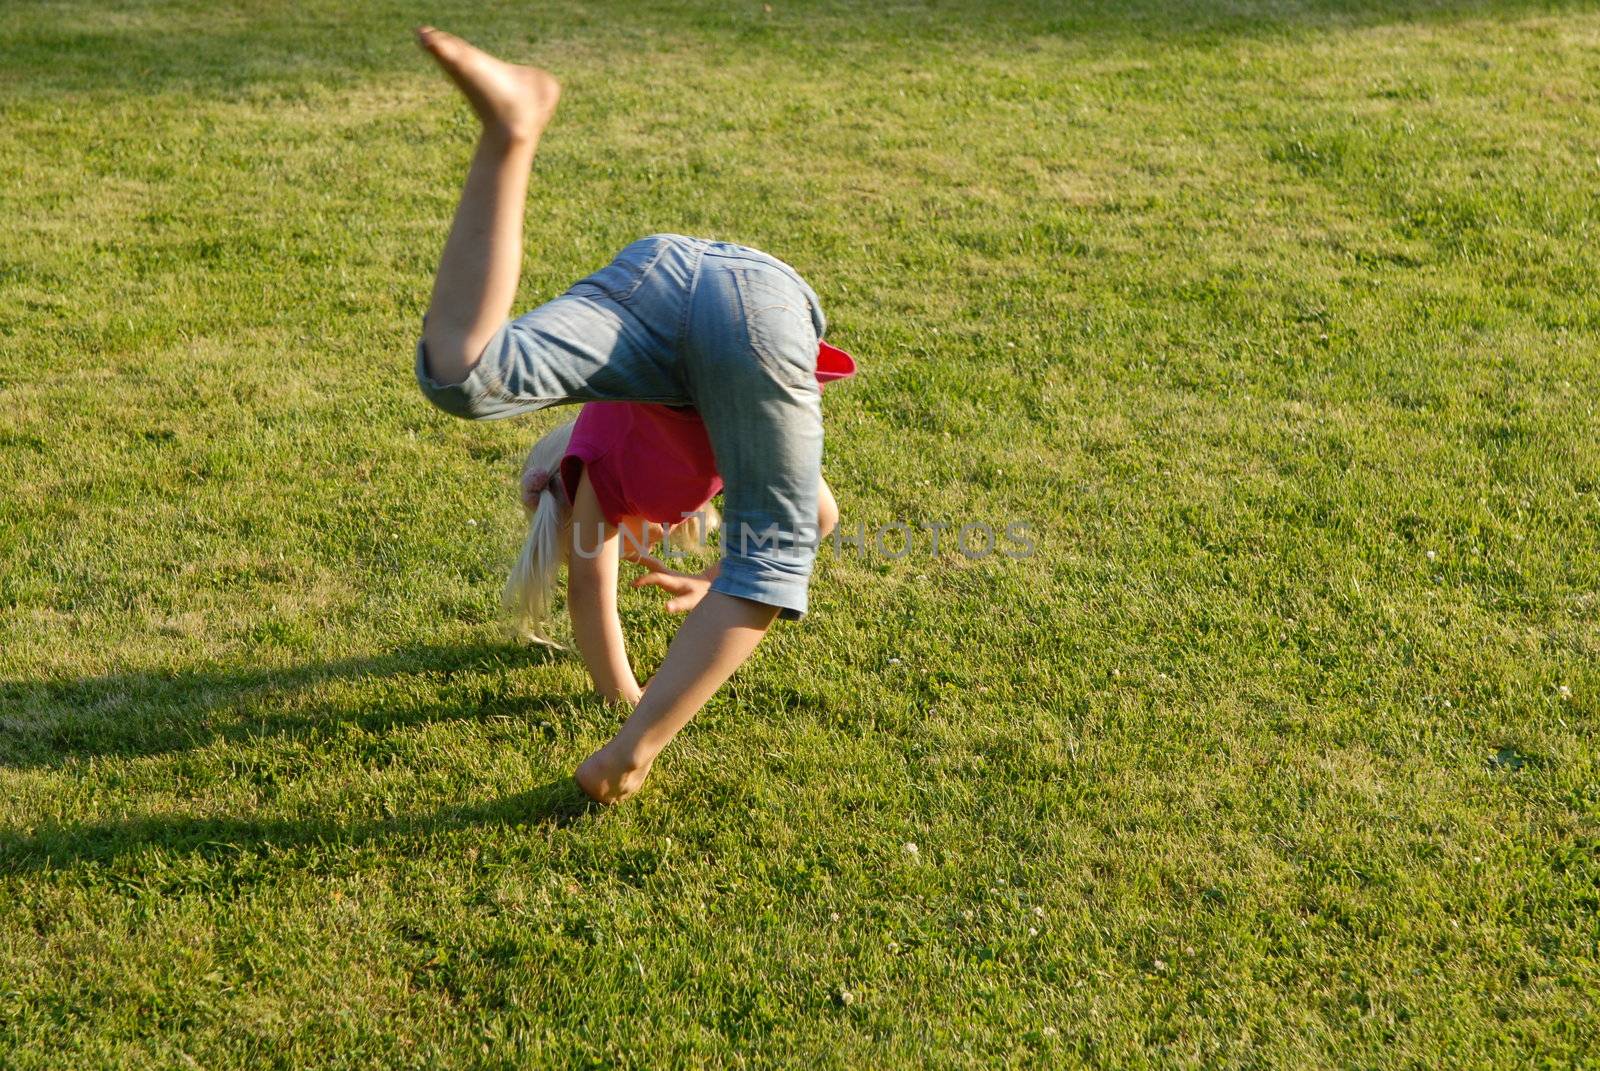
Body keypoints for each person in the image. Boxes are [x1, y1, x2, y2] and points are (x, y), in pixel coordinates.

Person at [409, 27, 854, 804]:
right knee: (465, 377)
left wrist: (628, 689)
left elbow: (591, 592)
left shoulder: (601, 476)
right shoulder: (619, 467)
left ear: (556, 480)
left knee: (767, 556)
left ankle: (630, 748)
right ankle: (511, 125)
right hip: (682, 277)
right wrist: (723, 579)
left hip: (686, 296)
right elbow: (816, 515)